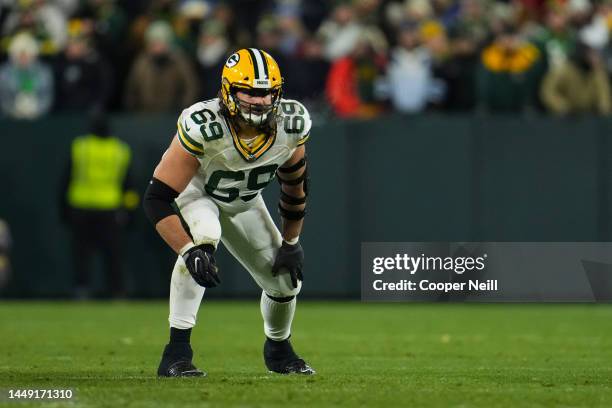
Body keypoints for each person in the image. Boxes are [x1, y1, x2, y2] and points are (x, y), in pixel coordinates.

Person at [143, 48, 314, 377]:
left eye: (266, 93)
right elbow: (157, 197)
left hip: (245, 202)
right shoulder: (203, 124)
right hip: (200, 194)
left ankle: (279, 350)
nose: (260, 100)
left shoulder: (291, 124)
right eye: (249, 91)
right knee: (206, 241)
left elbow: (295, 186)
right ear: (228, 90)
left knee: (285, 282)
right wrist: (187, 248)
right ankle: (176, 353)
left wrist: (292, 242)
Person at [61, 112, 138, 298]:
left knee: (81, 254)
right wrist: (129, 211)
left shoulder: (80, 147)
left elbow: (66, 179)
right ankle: (117, 292)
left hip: (81, 206)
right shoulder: (120, 150)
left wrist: (63, 209)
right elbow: (129, 186)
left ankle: (81, 290)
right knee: (113, 255)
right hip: (109, 208)